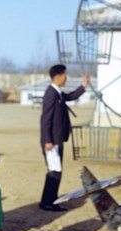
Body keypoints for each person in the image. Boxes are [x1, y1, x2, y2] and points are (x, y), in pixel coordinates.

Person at [39, 64, 90, 212]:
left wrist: (84, 85)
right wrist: (48, 140)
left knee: (55, 171)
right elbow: (45, 119)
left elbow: (70, 96)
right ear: (58, 76)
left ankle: (49, 200)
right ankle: (48, 202)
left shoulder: (57, 92)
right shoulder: (51, 94)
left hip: (56, 139)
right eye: (65, 75)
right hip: (52, 141)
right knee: (54, 171)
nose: (66, 78)